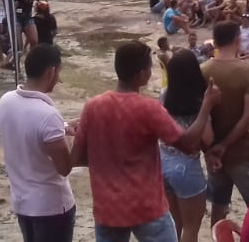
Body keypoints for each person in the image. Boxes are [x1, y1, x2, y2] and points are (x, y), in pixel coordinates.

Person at [72, 41, 220, 242]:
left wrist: (110, 160)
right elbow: (187, 145)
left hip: (108, 208)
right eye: (150, 67)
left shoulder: (93, 106)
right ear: (142, 74)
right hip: (146, 207)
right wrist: (207, 106)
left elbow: (78, 157)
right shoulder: (148, 108)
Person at [0, 44, 77, 242]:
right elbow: (64, 167)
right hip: (51, 207)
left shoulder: (6, 101)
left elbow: (27, 130)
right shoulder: (48, 115)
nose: (58, 79)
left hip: (22, 203)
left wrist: (63, 127)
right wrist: (74, 138)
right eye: (58, 73)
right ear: (51, 72)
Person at [202, 20, 249, 223]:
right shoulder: (247, 70)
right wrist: (224, 146)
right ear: (237, 40)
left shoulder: (203, 70)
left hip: (214, 153)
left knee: (219, 206)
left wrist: (212, 149)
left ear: (214, 41)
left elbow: (201, 116)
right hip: (245, 151)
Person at [161, 49, 214, 242]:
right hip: (186, 167)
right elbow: (207, 138)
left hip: (162, 162)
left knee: (175, 224)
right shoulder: (199, 101)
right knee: (191, 229)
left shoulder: (164, 95)